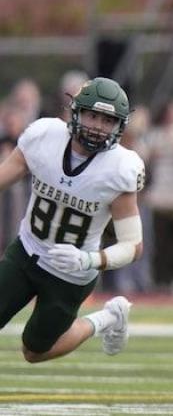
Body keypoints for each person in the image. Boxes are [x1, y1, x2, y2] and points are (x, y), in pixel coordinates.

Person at [0, 77, 145, 363]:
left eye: (107, 120)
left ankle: (105, 319)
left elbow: (133, 246)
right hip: (26, 251)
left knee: (34, 351)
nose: (97, 126)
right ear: (75, 111)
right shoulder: (43, 136)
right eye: (92, 115)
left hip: (71, 274)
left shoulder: (120, 168)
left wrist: (88, 260)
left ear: (119, 126)